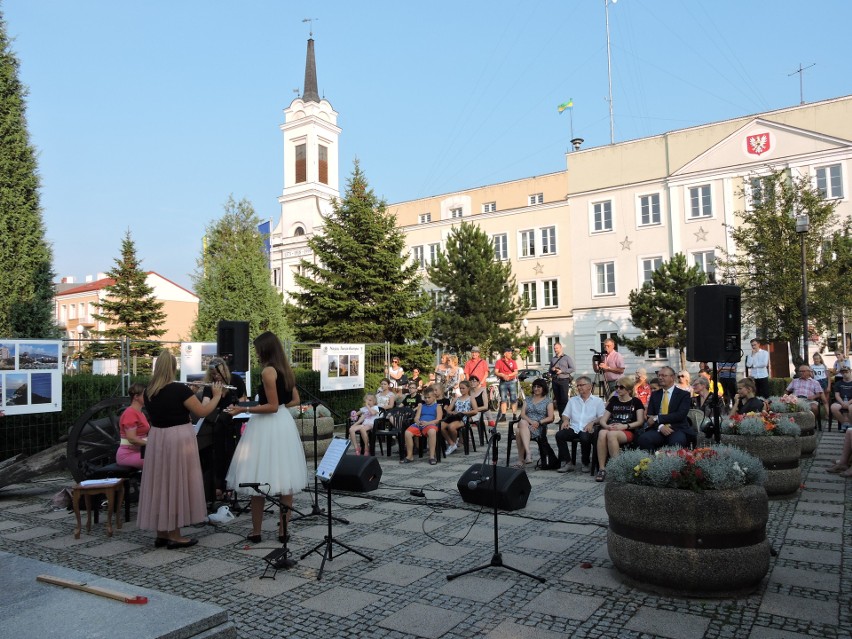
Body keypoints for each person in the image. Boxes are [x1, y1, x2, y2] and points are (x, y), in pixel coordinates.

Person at [225, 331, 307, 544]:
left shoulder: (268, 372)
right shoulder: (286, 370)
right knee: (285, 478)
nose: (255, 352)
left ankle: (257, 531)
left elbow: (269, 406)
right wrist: (273, 406)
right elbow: (293, 400)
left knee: (258, 479)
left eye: (257, 349)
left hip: (266, 427)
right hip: (283, 424)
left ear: (264, 350)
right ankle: (283, 531)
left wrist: (246, 410)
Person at [138, 350, 223, 549]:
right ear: (173, 368)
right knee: (176, 483)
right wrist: (217, 396)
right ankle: (175, 535)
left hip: (158, 437)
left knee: (160, 484)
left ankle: (162, 533)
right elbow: (202, 411)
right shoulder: (179, 390)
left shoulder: (148, 391)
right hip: (177, 438)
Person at [198, 357, 247, 502]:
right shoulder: (210, 385)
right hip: (217, 424)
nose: (215, 376)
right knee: (218, 455)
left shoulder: (236, 380)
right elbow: (205, 405)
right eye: (212, 374)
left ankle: (230, 487)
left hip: (233, 423)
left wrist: (236, 405)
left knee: (231, 453)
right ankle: (218, 486)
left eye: (218, 373)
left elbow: (243, 399)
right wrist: (214, 397)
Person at [595, 378, 645, 481]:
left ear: (629, 390)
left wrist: (625, 426)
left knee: (611, 435)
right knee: (602, 433)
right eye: (616, 387)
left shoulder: (636, 402)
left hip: (627, 430)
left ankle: (616, 468)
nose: (618, 389)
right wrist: (607, 426)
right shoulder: (614, 401)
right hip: (612, 428)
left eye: (621, 387)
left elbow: (640, 421)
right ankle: (602, 468)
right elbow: (603, 420)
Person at [556, 375, 605, 473]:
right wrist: (565, 420)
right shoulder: (573, 400)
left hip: (588, 428)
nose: (579, 388)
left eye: (581, 385)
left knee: (584, 436)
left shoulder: (598, 401)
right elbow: (565, 414)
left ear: (589, 386)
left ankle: (585, 462)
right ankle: (569, 462)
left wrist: (592, 422)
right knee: (559, 435)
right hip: (574, 427)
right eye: (577, 386)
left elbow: (602, 417)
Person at [636, 366, 692, 451]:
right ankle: (651, 462)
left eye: (664, 375)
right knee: (643, 439)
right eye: (659, 375)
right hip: (658, 428)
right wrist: (660, 426)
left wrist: (657, 418)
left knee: (677, 442)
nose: (660, 378)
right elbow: (649, 416)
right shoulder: (655, 395)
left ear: (672, 377)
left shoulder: (683, 395)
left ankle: (673, 464)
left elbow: (680, 415)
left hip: (677, 428)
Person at [515, 379, 555, 468]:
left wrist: (539, 422)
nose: (536, 388)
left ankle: (521, 459)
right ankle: (528, 452)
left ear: (543, 388)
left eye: (538, 387)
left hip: (538, 427)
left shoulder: (548, 401)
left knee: (518, 432)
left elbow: (550, 417)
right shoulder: (528, 399)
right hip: (528, 423)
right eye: (534, 386)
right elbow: (522, 414)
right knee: (522, 422)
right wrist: (531, 422)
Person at [401, 386, 443, 465]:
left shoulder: (438, 407)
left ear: (434, 397)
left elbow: (438, 419)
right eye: (425, 397)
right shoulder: (421, 406)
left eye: (429, 397)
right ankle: (410, 456)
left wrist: (428, 423)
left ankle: (431, 456)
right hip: (420, 424)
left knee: (432, 431)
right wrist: (417, 421)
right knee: (407, 432)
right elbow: (416, 417)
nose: (426, 399)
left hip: (430, 424)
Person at [116, 383, 149, 469]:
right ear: (136, 397)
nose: (148, 397)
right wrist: (152, 444)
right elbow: (132, 439)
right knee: (159, 460)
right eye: (145, 395)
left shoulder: (140, 413)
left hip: (139, 452)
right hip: (127, 455)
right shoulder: (130, 413)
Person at [442, 380, 476, 455]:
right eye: (460, 388)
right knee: (441, 426)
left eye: (463, 388)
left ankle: (453, 443)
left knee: (451, 427)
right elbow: (448, 410)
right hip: (455, 417)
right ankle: (452, 443)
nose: (461, 390)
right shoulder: (456, 398)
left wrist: (464, 413)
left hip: (463, 418)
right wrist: (453, 412)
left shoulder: (471, 398)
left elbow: (475, 411)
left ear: (468, 388)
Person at [549, 341, 575, 415]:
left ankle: (566, 417)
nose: (555, 350)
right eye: (554, 348)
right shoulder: (553, 359)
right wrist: (552, 370)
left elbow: (572, 368)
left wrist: (562, 371)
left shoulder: (567, 358)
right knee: (558, 400)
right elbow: (549, 370)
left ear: (561, 348)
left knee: (564, 400)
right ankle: (561, 417)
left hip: (564, 380)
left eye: (557, 348)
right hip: (555, 380)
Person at [495, 347, 519, 419]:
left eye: (511, 353)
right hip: (503, 382)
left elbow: (516, 371)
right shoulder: (499, 362)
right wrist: (502, 375)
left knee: (513, 399)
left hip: (511, 382)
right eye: (509, 353)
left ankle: (514, 415)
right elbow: (496, 372)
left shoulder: (513, 362)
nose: (511, 354)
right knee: (503, 399)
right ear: (505, 354)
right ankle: (503, 415)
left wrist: (508, 375)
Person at [830, 365, 852, 432]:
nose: (844, 374)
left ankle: (850, 424)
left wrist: (848, 403)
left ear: (850, 372)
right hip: (840, 401)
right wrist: (842, 403)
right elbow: (837, 395)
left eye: (846, 372)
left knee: (851, 408)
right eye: (843, 373)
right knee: (834, 407)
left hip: (851, 402)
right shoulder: (838, 383)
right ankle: (844, 423)